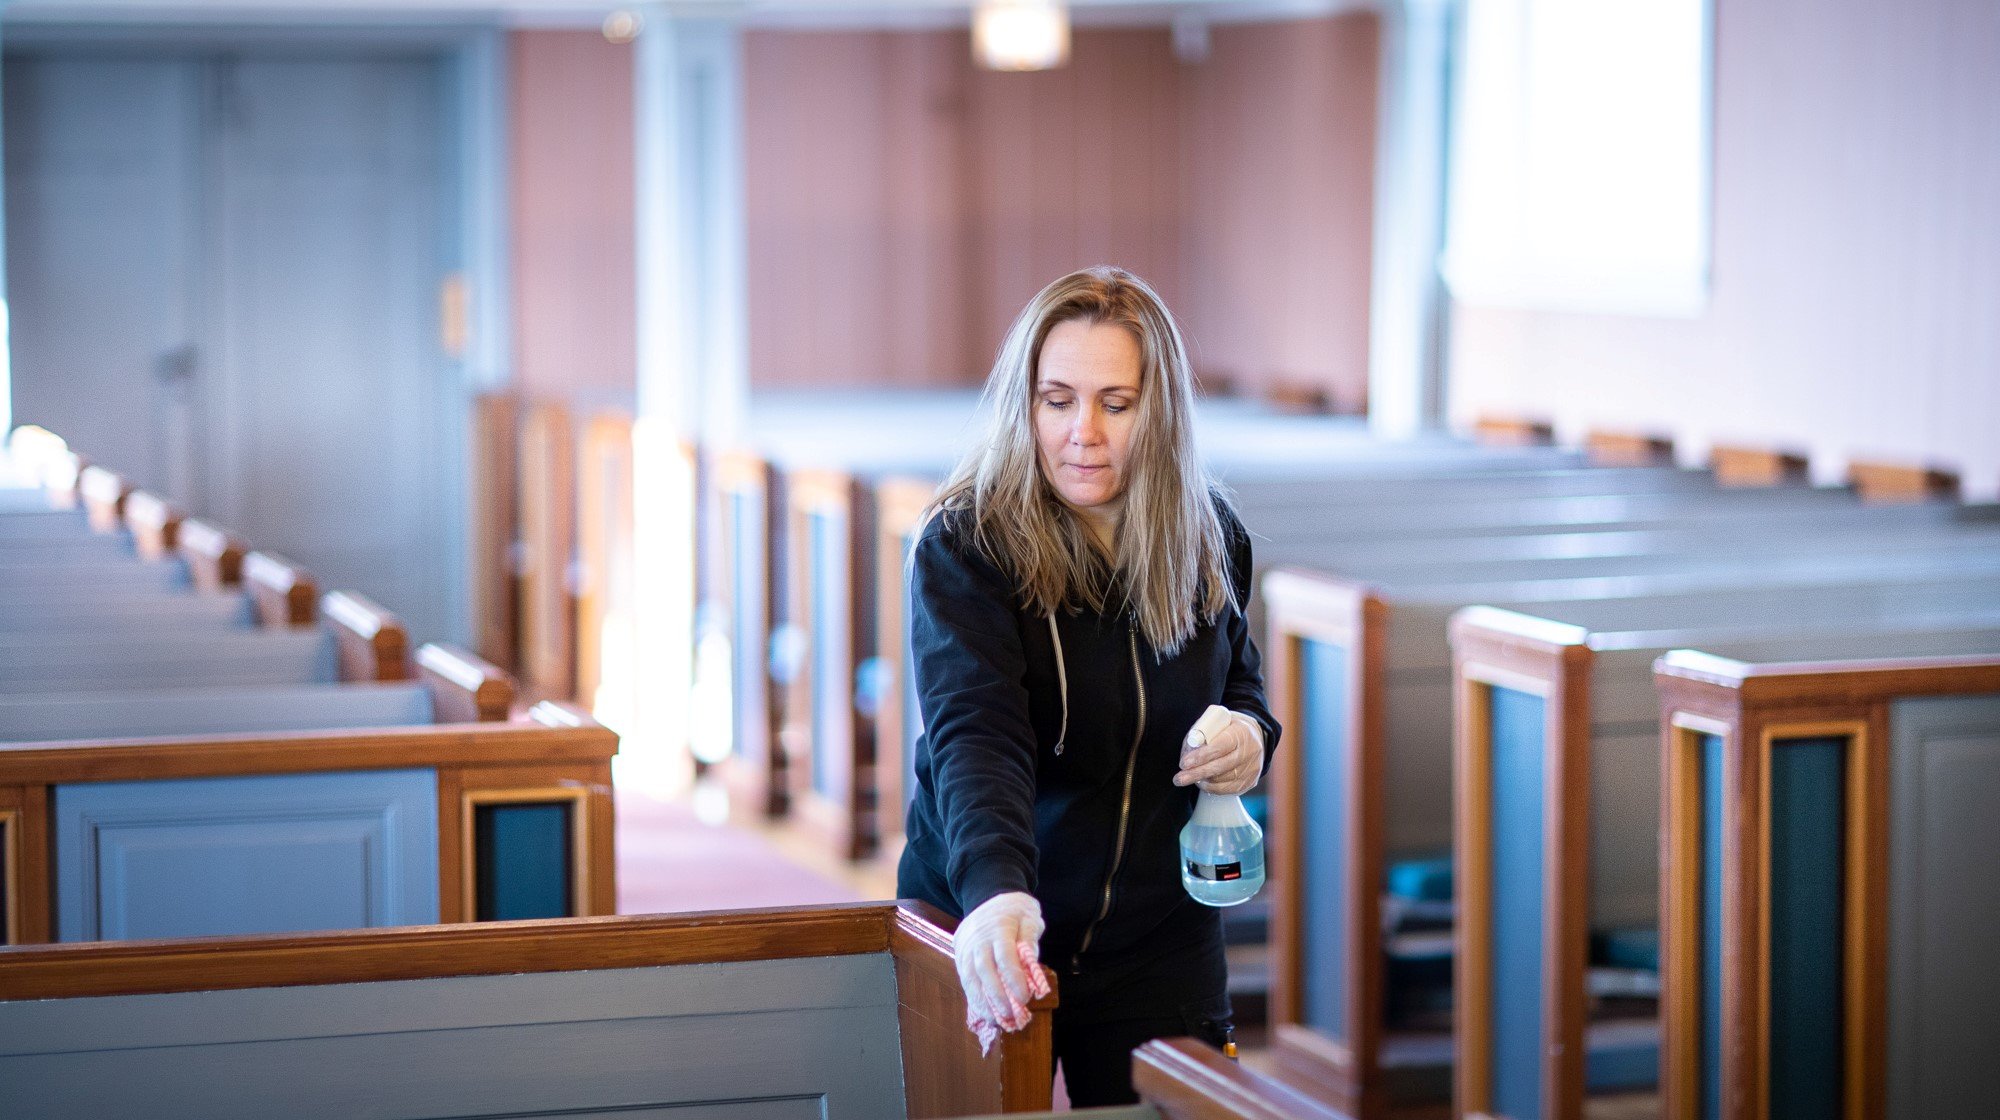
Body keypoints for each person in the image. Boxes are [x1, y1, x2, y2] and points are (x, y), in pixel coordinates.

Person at [896, 266, 1281, 1106]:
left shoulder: (1212, 537)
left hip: (1160, 935)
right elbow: (976, 735)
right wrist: (996, 894)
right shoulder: (966, 546)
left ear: (1161, 412)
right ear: (1024, 404)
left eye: (1117, 402)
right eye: (1057, 399)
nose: (1084, 433)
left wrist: (1250, 738)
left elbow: (1240, 688)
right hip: (991, 915)